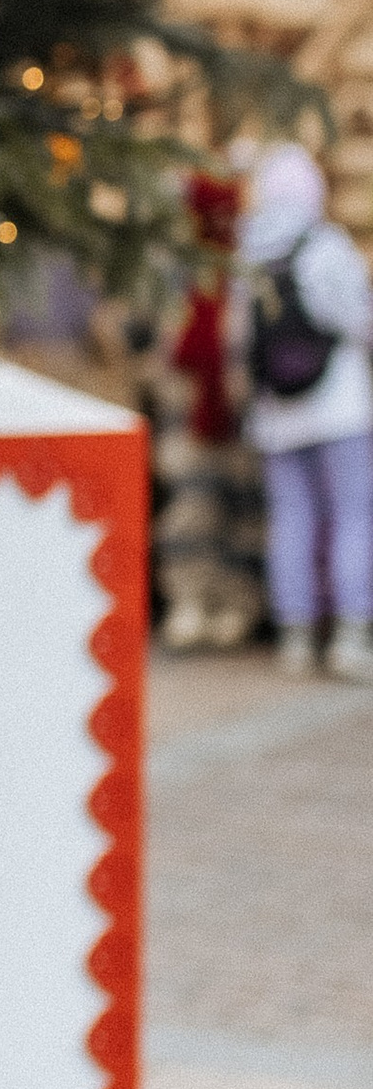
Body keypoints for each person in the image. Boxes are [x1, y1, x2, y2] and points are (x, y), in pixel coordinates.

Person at [235, 138, 373, 682]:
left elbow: (240, 337)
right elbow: (356, 320)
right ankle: (350, 633)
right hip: (339, 406)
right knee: (352, 516)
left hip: (276, 411)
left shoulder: (248, 251)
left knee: (291, 519)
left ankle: (294, 636)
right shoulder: (327, 246)